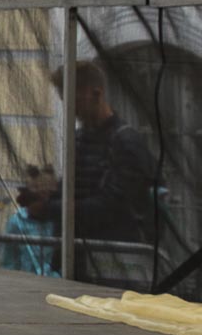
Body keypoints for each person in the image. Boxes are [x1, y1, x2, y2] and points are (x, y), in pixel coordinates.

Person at [53, 61, 157, 254]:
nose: (71, 110)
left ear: (96, 94)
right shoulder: (78, 139)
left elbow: (113, 206)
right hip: (78, 252)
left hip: (114, 255)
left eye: (76, 101)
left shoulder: (125, 142)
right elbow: (72, 187)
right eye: (66, 102)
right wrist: (46, 196)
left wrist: (51, 208)